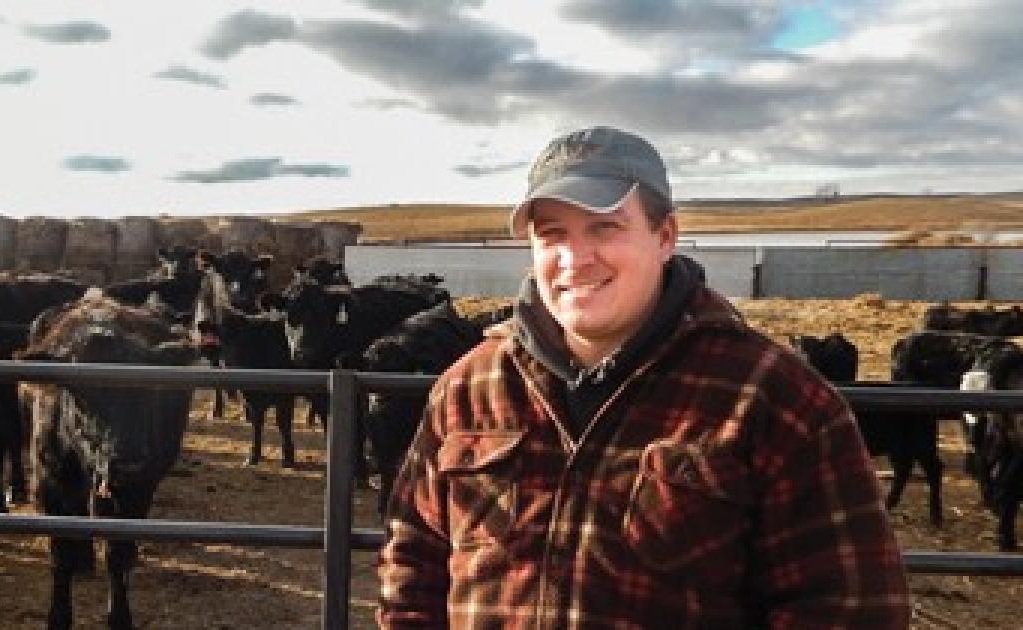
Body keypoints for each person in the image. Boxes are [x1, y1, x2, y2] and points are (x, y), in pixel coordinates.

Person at [377, 126, 911, 628]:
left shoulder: (773, 398)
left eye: (604, 227)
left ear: (665, 236)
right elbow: (413, 565)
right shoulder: (469, 390)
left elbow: (849, 609)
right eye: (551, 234)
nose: (573, 259)